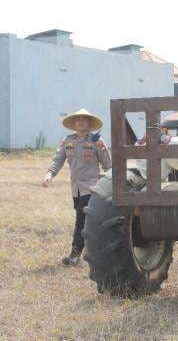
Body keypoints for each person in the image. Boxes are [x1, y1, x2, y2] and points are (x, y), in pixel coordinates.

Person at [42, 109, 111, 266]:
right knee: (87, 221)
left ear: (89, 123)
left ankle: (75, 254)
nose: (81, 122)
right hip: (76, 189)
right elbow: (58, 160)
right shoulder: (68, 141)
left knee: (81, 220)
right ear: (73, 124)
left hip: (92, 188)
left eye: (84, 119)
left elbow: (108, 165)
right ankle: (94, 253)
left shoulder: (96, 141)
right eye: (77, 119)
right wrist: (49, 174)